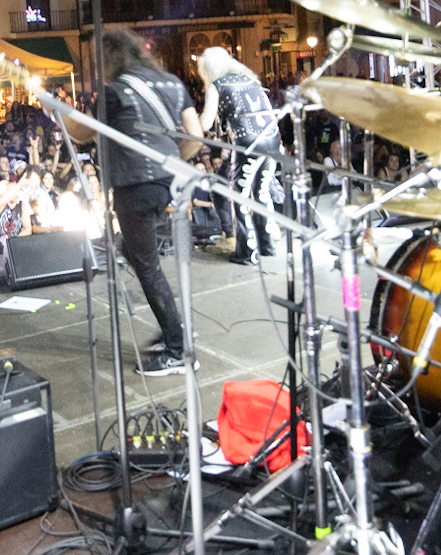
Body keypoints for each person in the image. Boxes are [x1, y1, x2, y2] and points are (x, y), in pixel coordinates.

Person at [58, 31, 202, 374]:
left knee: (146, 265)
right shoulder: (171, 82)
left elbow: (82, 133)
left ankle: (178, 350)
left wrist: (58, 110)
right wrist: (171, 165)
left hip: (134, 186)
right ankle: (173, 326)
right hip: (164, 183)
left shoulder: (115, 92)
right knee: (133, 251)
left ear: (111, 59)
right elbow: (195, 136)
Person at [196, 47, 281, 266]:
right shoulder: (250, 80)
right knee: (261, 191)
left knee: (239, 194)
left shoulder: (217, 85)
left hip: (247, 143)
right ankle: (266, 245)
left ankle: (247, 251)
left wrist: (190, 122)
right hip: (272, 139)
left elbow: (205, 123)